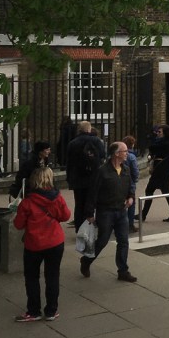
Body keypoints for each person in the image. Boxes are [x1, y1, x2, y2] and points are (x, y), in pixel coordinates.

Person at [12, 165, 71, 322]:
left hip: (34, 244)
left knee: (32, 277)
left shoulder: (27, 202)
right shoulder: (58, 198)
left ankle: (33, 311)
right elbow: (66, 216)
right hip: (55, 242)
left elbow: (18, 224)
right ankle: (51, 311)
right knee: (52, 276)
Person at [81, 140, 137, 283]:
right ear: (116, 154)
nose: (127, 153)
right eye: (125, 151)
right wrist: (89, 213)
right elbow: (93, 192)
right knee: (102, 240)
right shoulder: (102, 171)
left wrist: (131, 197)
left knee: (123, 241)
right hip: (105, 211)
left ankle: (123, 270)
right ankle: (86, 260)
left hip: (121, 210)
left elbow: (130, 186)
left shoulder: (125, 169)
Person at [65, 120, 105, 231]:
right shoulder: (96, 141)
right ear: (89, 129)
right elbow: (102, 155)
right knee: (92, 203)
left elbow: (69, 162)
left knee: (79, 204)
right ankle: (91, 227)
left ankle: (79, 228)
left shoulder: (72, 143)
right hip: (93, 177)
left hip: (77, 179)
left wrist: (69, 178)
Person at [143, 124, 169, 222]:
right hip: (162, 169)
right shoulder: (164, 142)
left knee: (151, 190)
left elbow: (152, 147)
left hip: (161, 170)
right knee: (165, 192)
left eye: (159, 132)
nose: (157, 133)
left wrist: (152, 139)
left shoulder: (164, 143)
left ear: (164, 133)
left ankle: (143, 214)